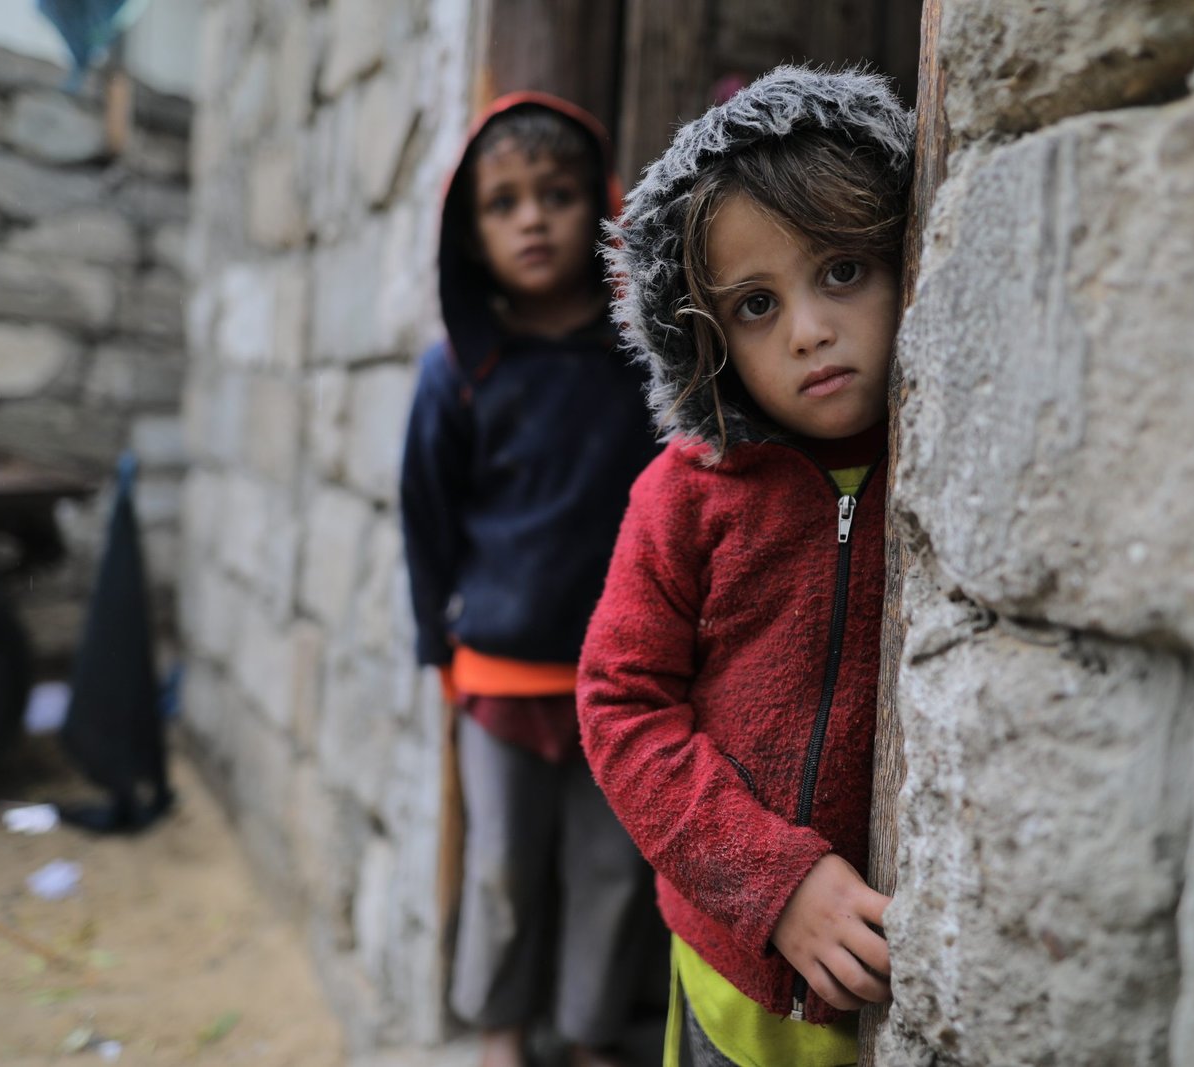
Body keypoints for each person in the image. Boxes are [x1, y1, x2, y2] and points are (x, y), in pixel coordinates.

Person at [576, 67, 914, 1067]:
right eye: (758, 304)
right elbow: (618, 702)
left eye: (843, 272)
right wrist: (772, 882)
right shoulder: (686, 494)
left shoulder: (943, 460)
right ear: (705, 335)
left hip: (890, 995)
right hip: (734, 969)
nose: (808, 330)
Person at [400, 93, 664, 1067]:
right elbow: (424, 522)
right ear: (470, 234)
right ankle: (501, 1030)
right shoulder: (461, 374)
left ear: (598, 210)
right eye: (502, 202)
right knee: (503, 865)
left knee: (609, 868)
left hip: (623, 681)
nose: (531, 218)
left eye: (555, 195)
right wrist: (442, 652)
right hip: (499, 678)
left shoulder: (641, 367)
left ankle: (591, 1031)